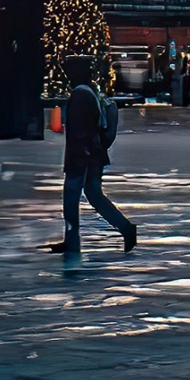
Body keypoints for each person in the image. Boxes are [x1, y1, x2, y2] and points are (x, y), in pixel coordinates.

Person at [49, 54, 137, 258]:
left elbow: (81, 131)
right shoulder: (91, 92)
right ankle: (125, 228)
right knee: (94, 195)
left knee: (71, 200)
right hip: (92, 156)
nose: (67, 76)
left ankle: (73, 243)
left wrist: (80, 158)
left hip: (82, 158)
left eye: (70, 71)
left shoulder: (80, 94)